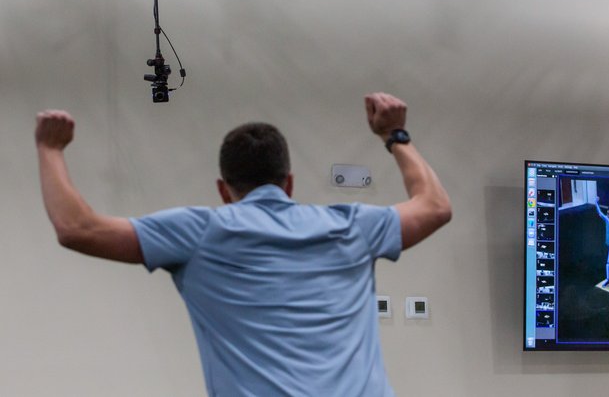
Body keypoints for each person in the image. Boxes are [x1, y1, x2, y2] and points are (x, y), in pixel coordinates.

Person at [34, 92, 451, 397]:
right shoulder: (353, 226)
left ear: (223, 189)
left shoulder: (198, 232)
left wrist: (50, 149)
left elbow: (77, 228)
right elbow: (434, 206)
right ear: (288, 183)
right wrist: (396, 134)